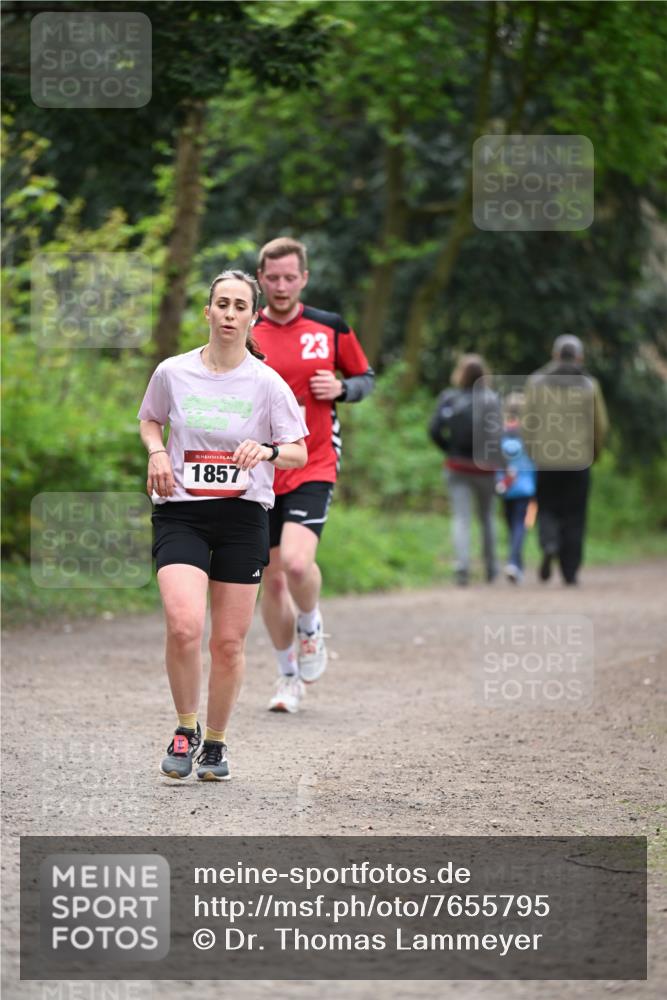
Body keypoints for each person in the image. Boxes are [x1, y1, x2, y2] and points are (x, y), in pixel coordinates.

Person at [138, 270, 308, 780]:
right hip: (181, 510)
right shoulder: (173, 371)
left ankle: (215, 742)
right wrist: (156, 453)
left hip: (242, 516)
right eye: (222, 304)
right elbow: (151, 419)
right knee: (184, 624)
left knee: (228, 643)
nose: (230, 314)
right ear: (207, 312)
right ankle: (185, 728)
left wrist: (269, 450)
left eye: (240, 306)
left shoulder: (266, 382)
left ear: (253, 316)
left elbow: (298, 451)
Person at [253, 237, 374, 714]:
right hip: (259, 465)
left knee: (297, 566)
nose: (281, 286)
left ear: (304, 278)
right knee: (272, 579)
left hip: (313, 458)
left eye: (290, 277)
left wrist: (343, 387)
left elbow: (366, 378)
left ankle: (311, 624)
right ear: (261, 279)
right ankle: (287, 677)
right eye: (273, 277)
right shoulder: (246, 326)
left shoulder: (329, 327)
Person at [523, 334, 608, 585]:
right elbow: (600, 424)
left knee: (547, 506)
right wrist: (595, 452)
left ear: (555, 355)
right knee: (575, 513)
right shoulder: (589, 385)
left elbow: (528, 421)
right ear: (580, 357)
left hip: (547, 457)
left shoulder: (536, 382)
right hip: (578, 458)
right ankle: (570, 571)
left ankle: (549, 543)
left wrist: (532, 450)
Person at [429, 354, 502, 586]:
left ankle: (462, 567)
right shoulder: (492, 399)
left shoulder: (448, 398)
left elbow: (434, 429)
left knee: (461, 518)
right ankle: (491, 568)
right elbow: (499, 435)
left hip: (457, 466)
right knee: (488, 517)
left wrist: (449, 449)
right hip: (486, 469)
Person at [495, 396, 536, 584]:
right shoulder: (531, 434)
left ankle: (516, 564)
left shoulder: (500, 434)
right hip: (526, 488)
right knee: (521, 526)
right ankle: (514, 562)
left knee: (512, 525)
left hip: (505, 487)